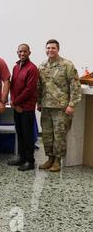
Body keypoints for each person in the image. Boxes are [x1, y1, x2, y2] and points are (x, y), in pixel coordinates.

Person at [37, 39, 82, 172]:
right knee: (47, 134)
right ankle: (50, 158)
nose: (50, 50)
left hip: (61, 107)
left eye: (53, 48)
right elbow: (39, 87)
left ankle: (57, 160)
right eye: (48, 48)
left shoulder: (67, 65)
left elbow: (75, 86)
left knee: (59, 135)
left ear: (58, 49)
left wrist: (72, 104)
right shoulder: (42, 66)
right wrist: (39, 102)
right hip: (46, 106)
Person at [8, 44, 39, 171]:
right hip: (17, 107)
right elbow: (12, 85)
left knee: (27, 135)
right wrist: (14, 103)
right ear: (17, 52)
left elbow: (29, 90)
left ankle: (29, 161)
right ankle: (21, 157)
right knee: (20, 133)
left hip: (27, 108)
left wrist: (16, 102)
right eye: (20, 51)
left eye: (25, 51)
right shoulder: (16, 67)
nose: (22, 54)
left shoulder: (32, 68)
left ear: (29, 53)